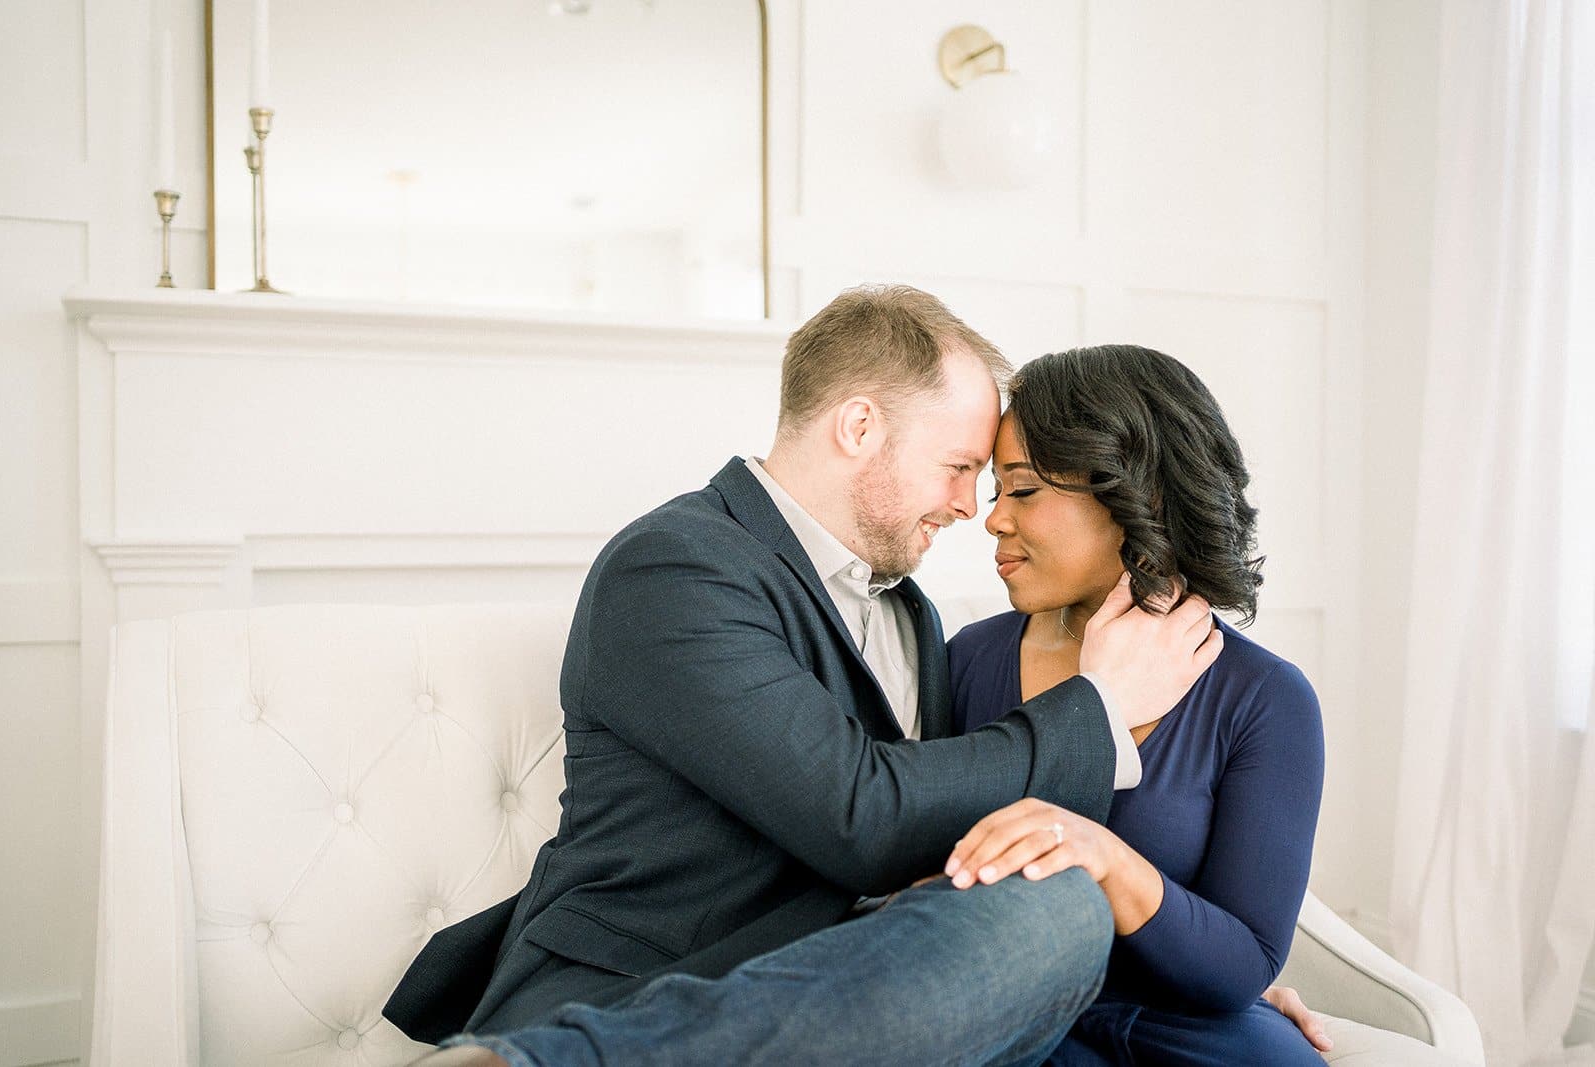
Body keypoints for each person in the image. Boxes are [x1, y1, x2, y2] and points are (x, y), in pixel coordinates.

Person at [390, 289, 1323, 1065]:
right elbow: (864, 816)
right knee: (1058, 907)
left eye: (1003, 485)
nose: (973, 510)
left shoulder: (912, 616)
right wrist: (1104, 708)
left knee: (1058, 917)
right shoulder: (676, 566)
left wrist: (1202, 964)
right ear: (860, 425)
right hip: (655, 986)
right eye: (964, 468)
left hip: (864, 997)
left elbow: (952, 842)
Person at [943, 345, 1326, 1065]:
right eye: (997, 490)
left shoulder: (1266, 700)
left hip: (1176, 1026)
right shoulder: (968, 661)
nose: (991, 520)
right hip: (1003, 1011)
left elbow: (1242, 963)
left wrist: (1103, 857)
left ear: (1138, 498)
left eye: (1022, 491)